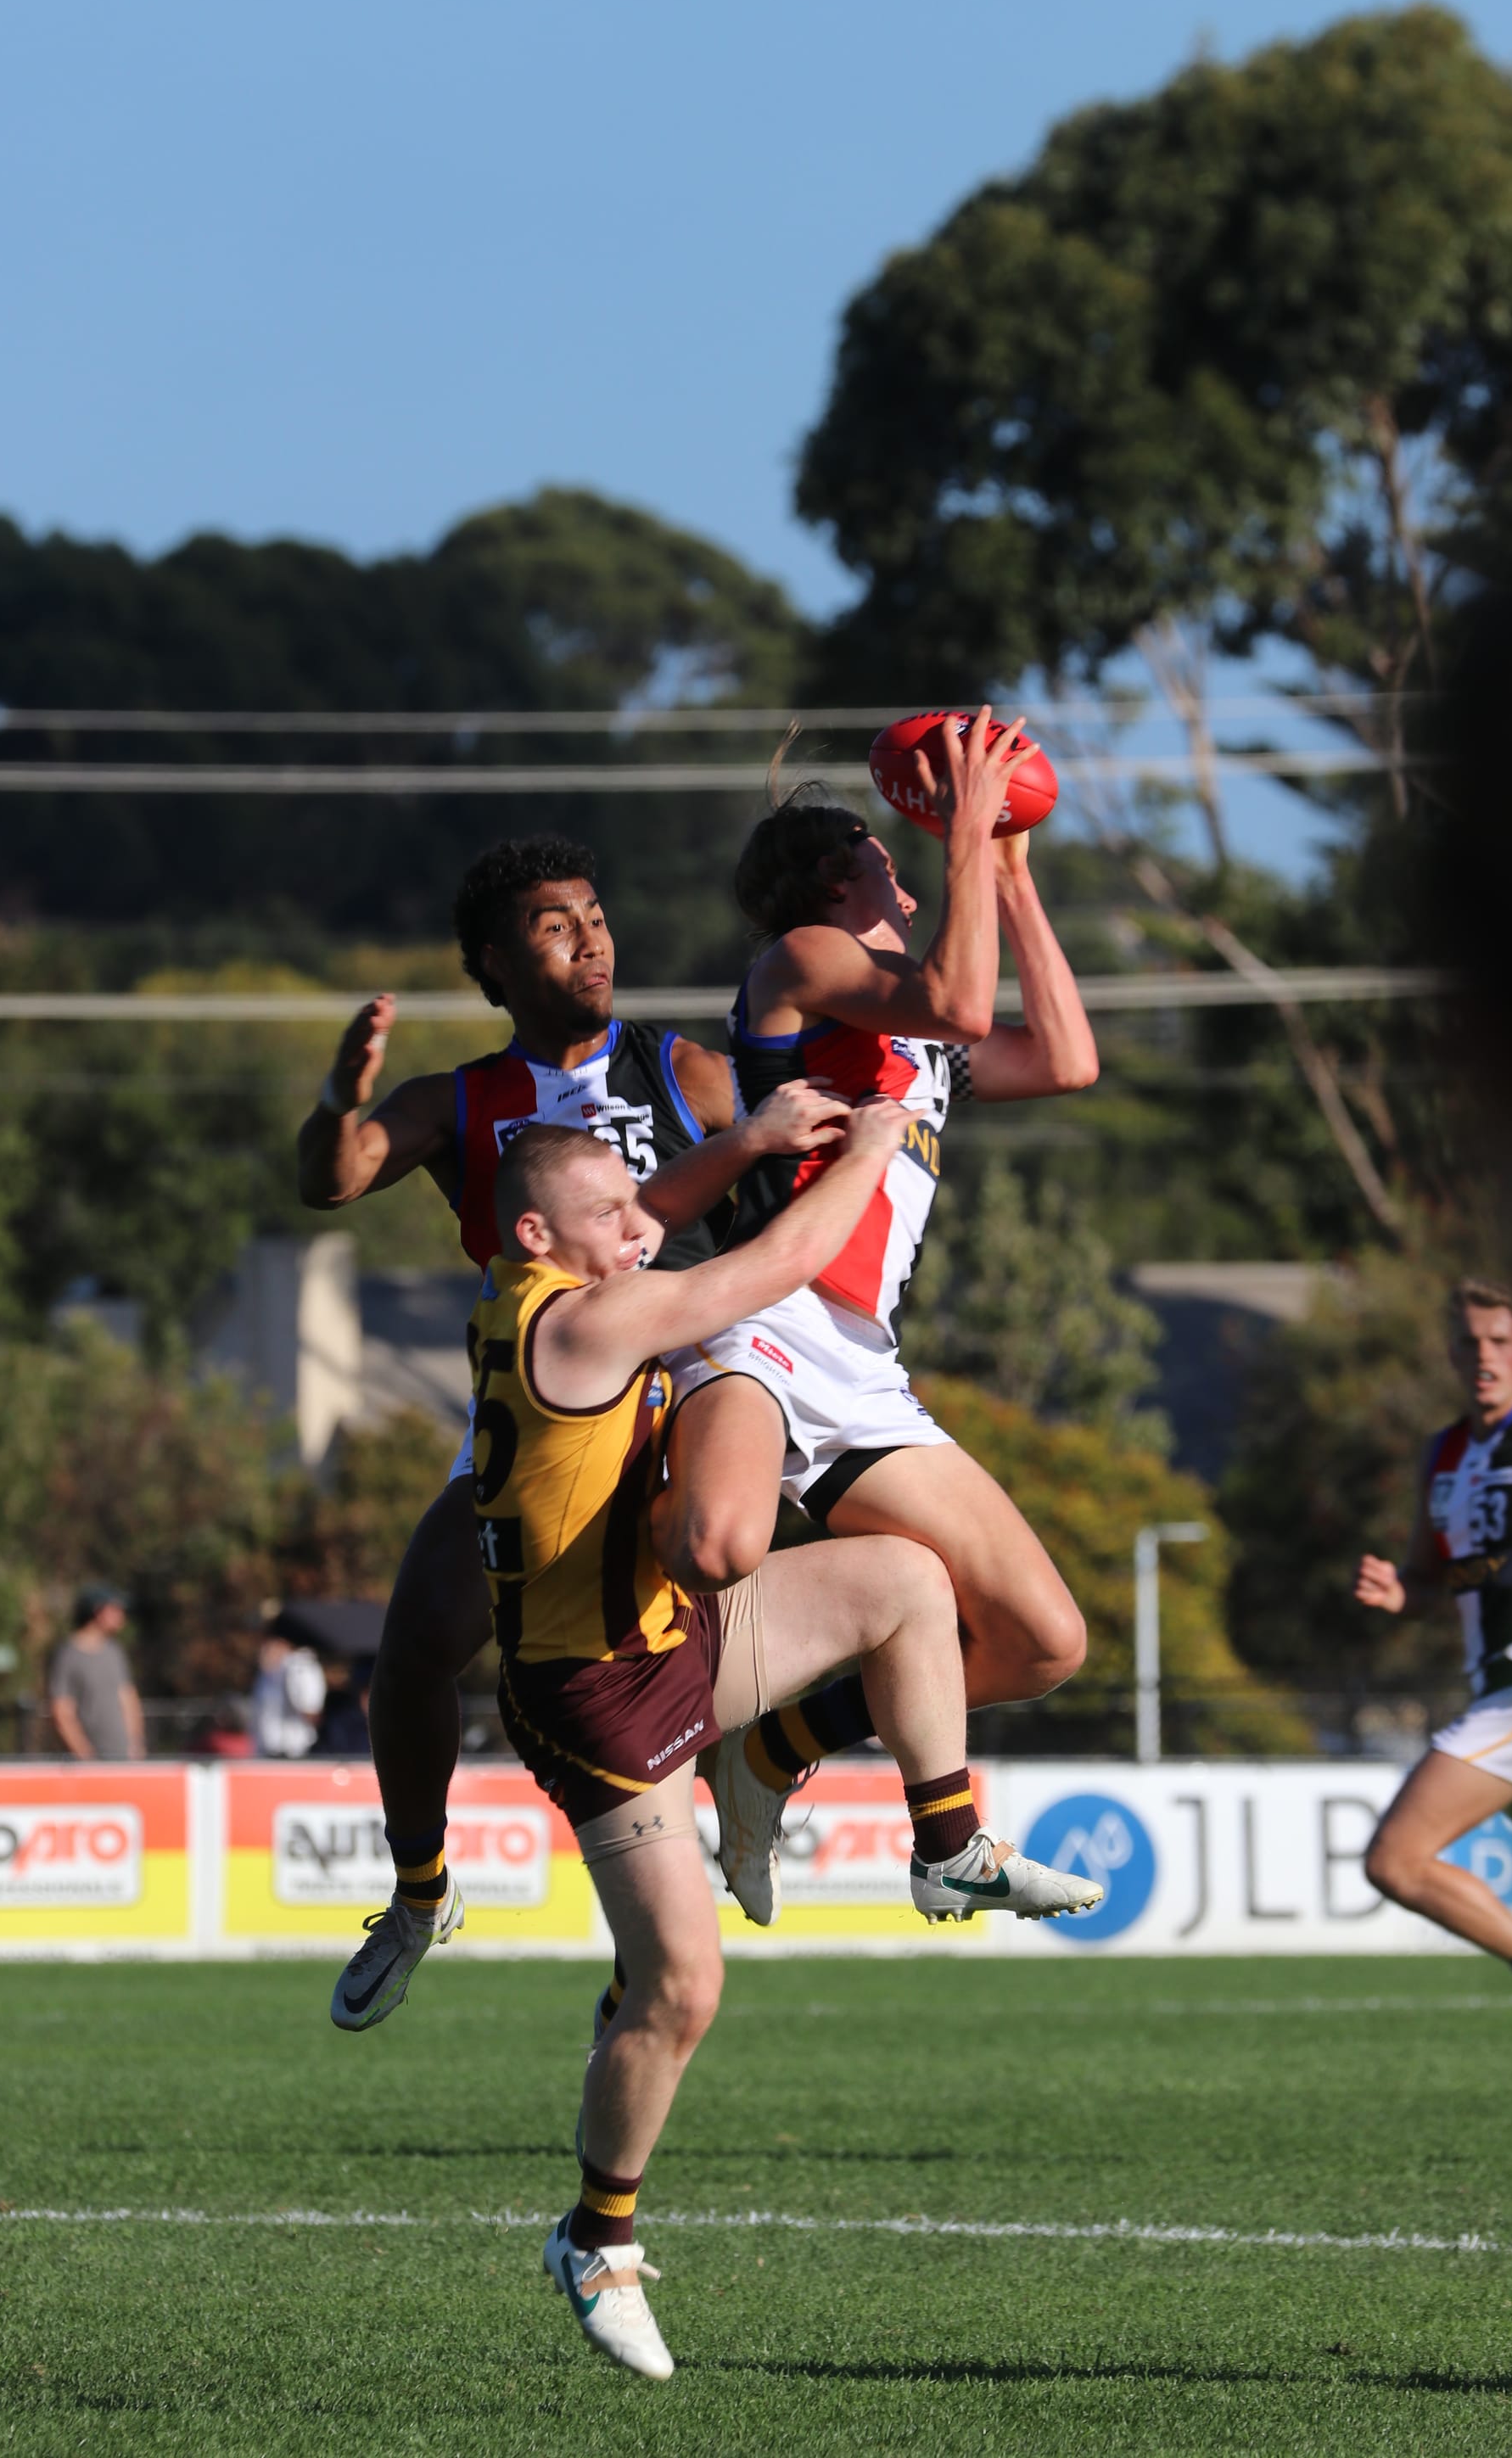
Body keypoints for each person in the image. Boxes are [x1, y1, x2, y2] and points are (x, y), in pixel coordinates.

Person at [474, 1114, 1101, 2379]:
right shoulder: (577, 1320)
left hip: (672, 1639)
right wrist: (881, 1148)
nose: (638, 1228)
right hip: (595, 1697)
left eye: (637, 1206)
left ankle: (947, 1844)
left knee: (907, 1583)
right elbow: (765, 1271)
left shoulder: (574, 1299)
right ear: (535, 1239)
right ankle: (596, 2242)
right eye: (612, 1214)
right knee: (685, 1991)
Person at [296, 832, 843, 2029]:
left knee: (724, 1564)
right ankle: (419, 1891)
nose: (591, 936)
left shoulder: (687, 1070)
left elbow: (780, 1195)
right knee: (412, 1655)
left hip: (687, 1384)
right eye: (556, 923)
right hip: (547, 1425)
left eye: (596, 913)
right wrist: (344, 1095)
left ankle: (766, 1797)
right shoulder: (460, 1102)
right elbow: (330, 1181)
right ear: (495, 962)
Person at [657, 709, 1100, 1919]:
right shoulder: (799, 960)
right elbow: (963, 1002)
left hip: (859, 1362)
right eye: (882, 860)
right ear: (828, 887)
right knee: (722, 1546)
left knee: (1042, 1640)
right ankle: (617, 1690)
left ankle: (770, 1747)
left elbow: (1065, 1058)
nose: (905, 873)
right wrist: (966, 825)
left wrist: (1006, 862)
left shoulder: (917, 1033)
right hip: (760, 1314)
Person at [1356, 1279, 1512, 1977]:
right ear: (1451, 1355)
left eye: (1500, 1341)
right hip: (1497, 1689)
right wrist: (1406, 1591)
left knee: (1397, 1858)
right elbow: (1434, 1577)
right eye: (1468, 1342)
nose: (1482, 1355)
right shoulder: (1445, 1454)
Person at [48, 1584, 145, 1761]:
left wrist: (135, 1743)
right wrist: (85, 1755)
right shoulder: (68, 1655)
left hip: (123, 1756)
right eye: (114, 1609)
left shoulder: (114, 1652)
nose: (121, 1615)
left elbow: (128, 1699)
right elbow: (62, 1711)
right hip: (90, 1761)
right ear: (97, 1611)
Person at [250, 1633, 326, 1757]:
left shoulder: (301, 1667)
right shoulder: (265, 1675)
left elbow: (311, 1711)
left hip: (295, 1752)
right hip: (267, 1751)